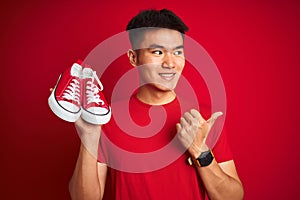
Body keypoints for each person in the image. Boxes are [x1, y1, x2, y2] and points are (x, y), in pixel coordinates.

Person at [69, 9, 244, 200]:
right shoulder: (105, 118)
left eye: (177, 52)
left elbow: (234, 197)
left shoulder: (203, 119)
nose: (170, 63)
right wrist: (88, 136)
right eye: (158, 52)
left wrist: (200, 152)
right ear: (133, 58)